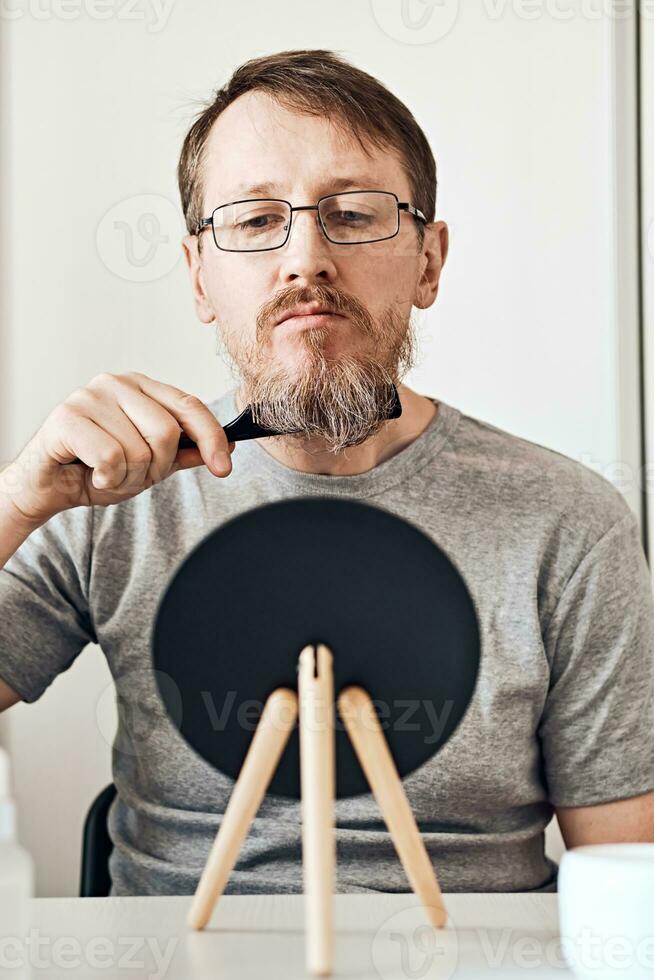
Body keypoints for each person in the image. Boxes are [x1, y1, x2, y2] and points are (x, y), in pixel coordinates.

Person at [0, 49, 653, 898]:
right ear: (200, 274)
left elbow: (628, 885)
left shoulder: (568, 521)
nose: (305, 258)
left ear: (429, 261)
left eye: (352, 213)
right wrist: (17, 502)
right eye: (255, 219)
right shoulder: (111, 497)